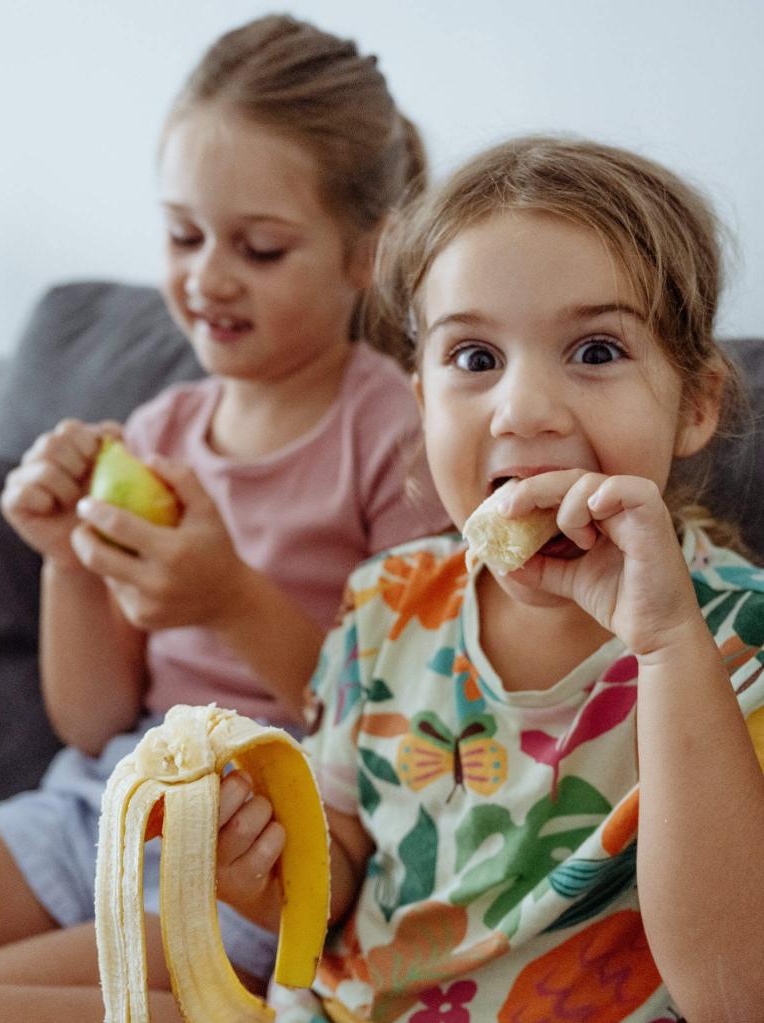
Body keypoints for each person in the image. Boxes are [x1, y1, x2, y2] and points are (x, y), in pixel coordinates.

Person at [216, 135, 764, 1022]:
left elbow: (738, 993)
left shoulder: (741, 640)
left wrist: (667, 649)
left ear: (696, 402)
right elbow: (336, 877)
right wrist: (261, 874)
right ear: (422, 400)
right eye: (474, 359)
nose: (524, 410)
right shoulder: (382, 603)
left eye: (594, 351)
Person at [0, 14, 449, 1020]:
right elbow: (92, 719)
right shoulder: (160, 426)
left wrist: (231, 598)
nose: (206, 276)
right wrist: (68, 563)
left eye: (258, 247)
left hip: (269, 840)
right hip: (104, 797)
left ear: (363, 254)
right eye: (182, 234)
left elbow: (401, 725)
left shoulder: (397, 432)